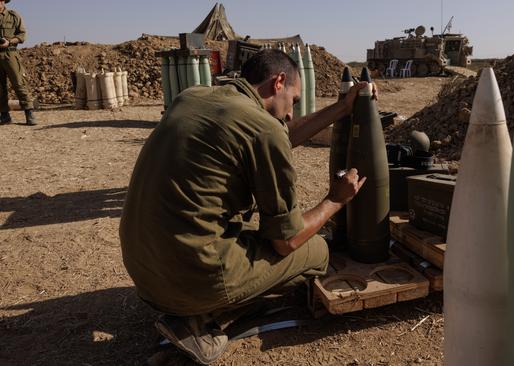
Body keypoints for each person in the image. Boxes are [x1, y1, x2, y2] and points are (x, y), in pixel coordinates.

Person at [120, 49, 372, 365]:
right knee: (317, 251)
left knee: (253, 233)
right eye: (293, 100)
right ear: (278, 82)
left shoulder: (193, 98)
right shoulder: (262, 130)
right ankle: (203, 320)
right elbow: (286, 242)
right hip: (186, 280)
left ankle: (197, 306)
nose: (292, 113)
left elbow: (273, 133)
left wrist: (341, 108)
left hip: (144, 272)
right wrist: (336, 199)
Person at [0, 0, 36, 126]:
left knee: (19, 83)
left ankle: (29, 112)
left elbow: (22, 35)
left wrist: (9, 42)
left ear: (4, 2)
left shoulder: (14, 16)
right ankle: (4, 115)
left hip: (10, 54)